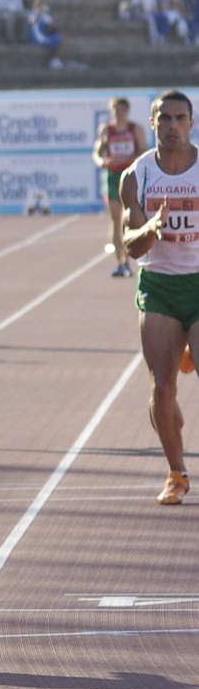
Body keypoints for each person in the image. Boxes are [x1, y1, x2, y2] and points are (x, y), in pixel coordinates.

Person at [120, 89, 199, 504]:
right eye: (164, 118)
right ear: (152, 123)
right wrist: (150, 229)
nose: (172, 126)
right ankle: (176, 474)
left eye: (180, 118)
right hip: (160, 286)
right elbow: (131, 247)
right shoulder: (137, 176)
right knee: (162, 389)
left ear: (191, 123)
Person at [94, 97, 149, 278]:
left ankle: (135, 256)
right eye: (116, 110)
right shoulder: (107, 130)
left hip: (131, 176)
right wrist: (103, 162)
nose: (119, 113)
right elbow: (98, 153)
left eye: (123, 110)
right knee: (116, 220)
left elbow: (144, 151)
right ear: (112, 111)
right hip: (113, 177)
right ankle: (121, 262)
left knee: (131, 218)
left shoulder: (135, 129)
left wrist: (129, 158)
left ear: (127, 111)